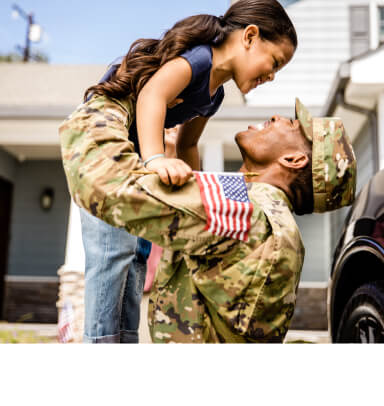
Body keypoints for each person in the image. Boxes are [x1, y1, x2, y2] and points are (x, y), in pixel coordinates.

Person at [71, 0, 298, 343]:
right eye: (275, 62)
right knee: (113, 251)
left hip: (132, 151)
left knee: (137, 255)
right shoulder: (199, 59)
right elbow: (151, 96)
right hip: (102, 137)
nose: (272, 75)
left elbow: (190, 145)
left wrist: (200, 199)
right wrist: (154, 160)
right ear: (250, 36)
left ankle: (124, 340)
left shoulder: (215, 94)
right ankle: (99, 342)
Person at [60, 97, 357, 343]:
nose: (278, 117)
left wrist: (107, 103)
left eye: (292, 125)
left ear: (294, 160)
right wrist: (181, 148)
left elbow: (104, 187)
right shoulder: (274, 221)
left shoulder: (245, 208)